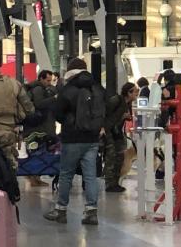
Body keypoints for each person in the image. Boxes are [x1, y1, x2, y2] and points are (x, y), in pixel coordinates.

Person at [44, 58, 104, 226]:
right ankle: (91, 212)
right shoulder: (96, 87)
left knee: (66, 174)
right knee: (90, 176)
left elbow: (57, 112)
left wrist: (68, 121)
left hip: (72, 138)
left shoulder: (68, 89)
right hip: (92, 139)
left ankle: (61, 210)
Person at [23, 70, 58, 187]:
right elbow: (39, 104)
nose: (49, 83)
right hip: (37, 127)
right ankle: (34, 178)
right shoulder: (38, 89)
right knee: (36, 152)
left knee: (35, 151)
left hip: (34, 126)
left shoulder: (36, 88)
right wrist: (54, 98)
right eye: (47, 80)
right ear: (41, 79)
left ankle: (35, 177)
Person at [104, 82, 139, 193]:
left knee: (120, 156)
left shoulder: (127, 104)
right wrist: (121, 117)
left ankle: (115, 182)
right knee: (111, 156)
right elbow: (107, 116)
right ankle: (109, 183)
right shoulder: (116, 100)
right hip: (109, 131)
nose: (137, 94)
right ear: (128, 93)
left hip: (117, 132)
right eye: (135, 91)